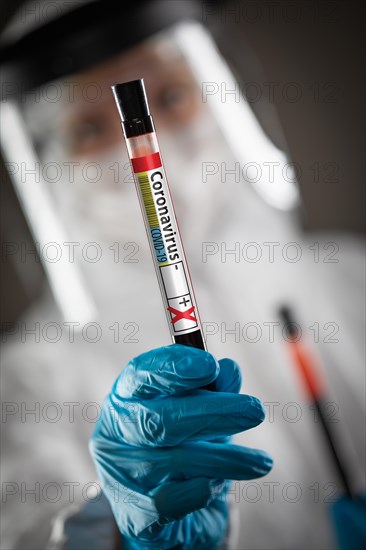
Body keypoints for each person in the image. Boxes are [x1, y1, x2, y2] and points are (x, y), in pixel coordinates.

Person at [0, 1, 364, 549]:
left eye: (170, 94)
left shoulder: (352, 279)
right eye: (88, 129)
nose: (140, 141)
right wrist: (118, 534)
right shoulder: (26, 384)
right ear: (49, 165)